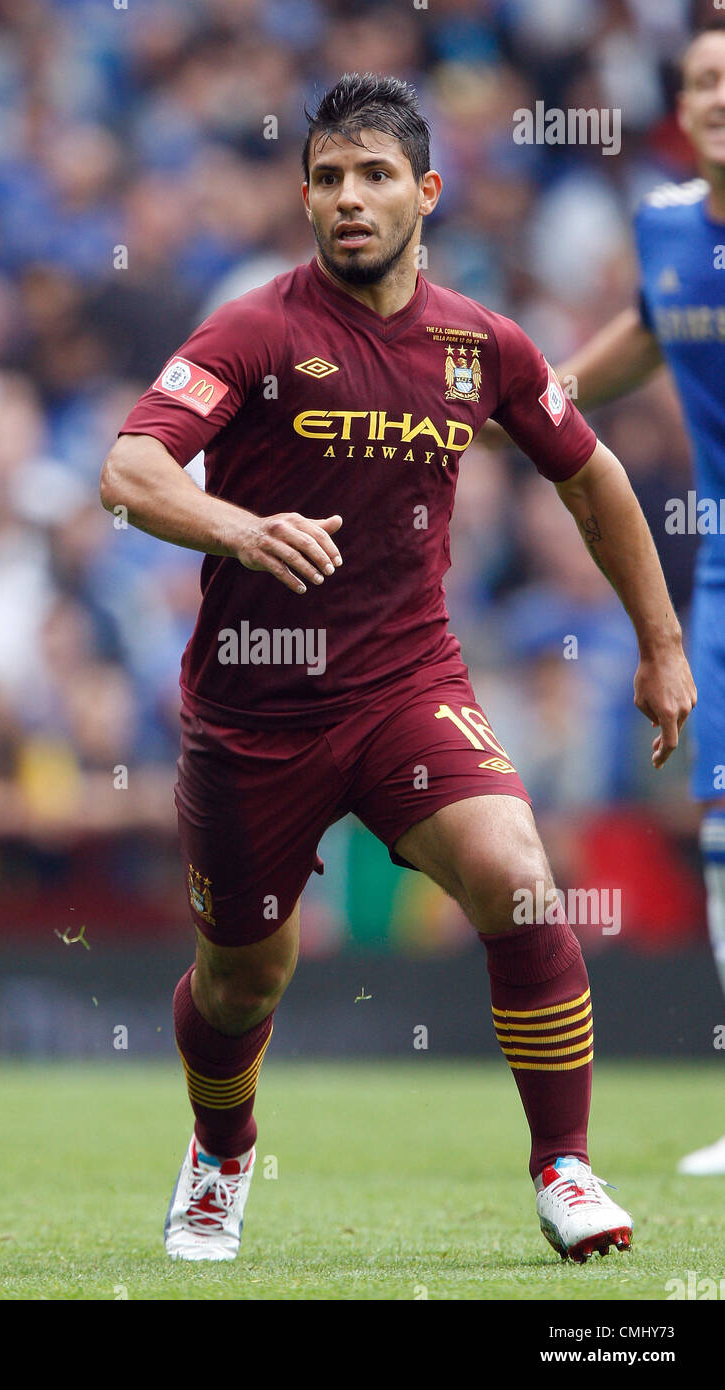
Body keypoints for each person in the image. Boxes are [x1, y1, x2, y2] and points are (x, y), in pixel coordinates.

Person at [99, 73, 695, 1262]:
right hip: (252, 708)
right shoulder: (253, 331)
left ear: (425, 192)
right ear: (305, 199)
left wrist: (661, 643)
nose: (348, 199)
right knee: (241, 983)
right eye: (326, 179)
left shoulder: (482, 346)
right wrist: (238, 528)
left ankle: (563, 1165)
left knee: (516, 872)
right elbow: (130, 469)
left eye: (373, 176)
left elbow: (590, 478)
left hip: (403, 687)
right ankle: (221, 1153)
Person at [556, 25, 725, 1177]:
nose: (714, 97)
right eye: (702, 82)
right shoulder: (667, 224)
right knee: (720, 832)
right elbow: (646, 336)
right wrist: (538, 394)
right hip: (719, 568)